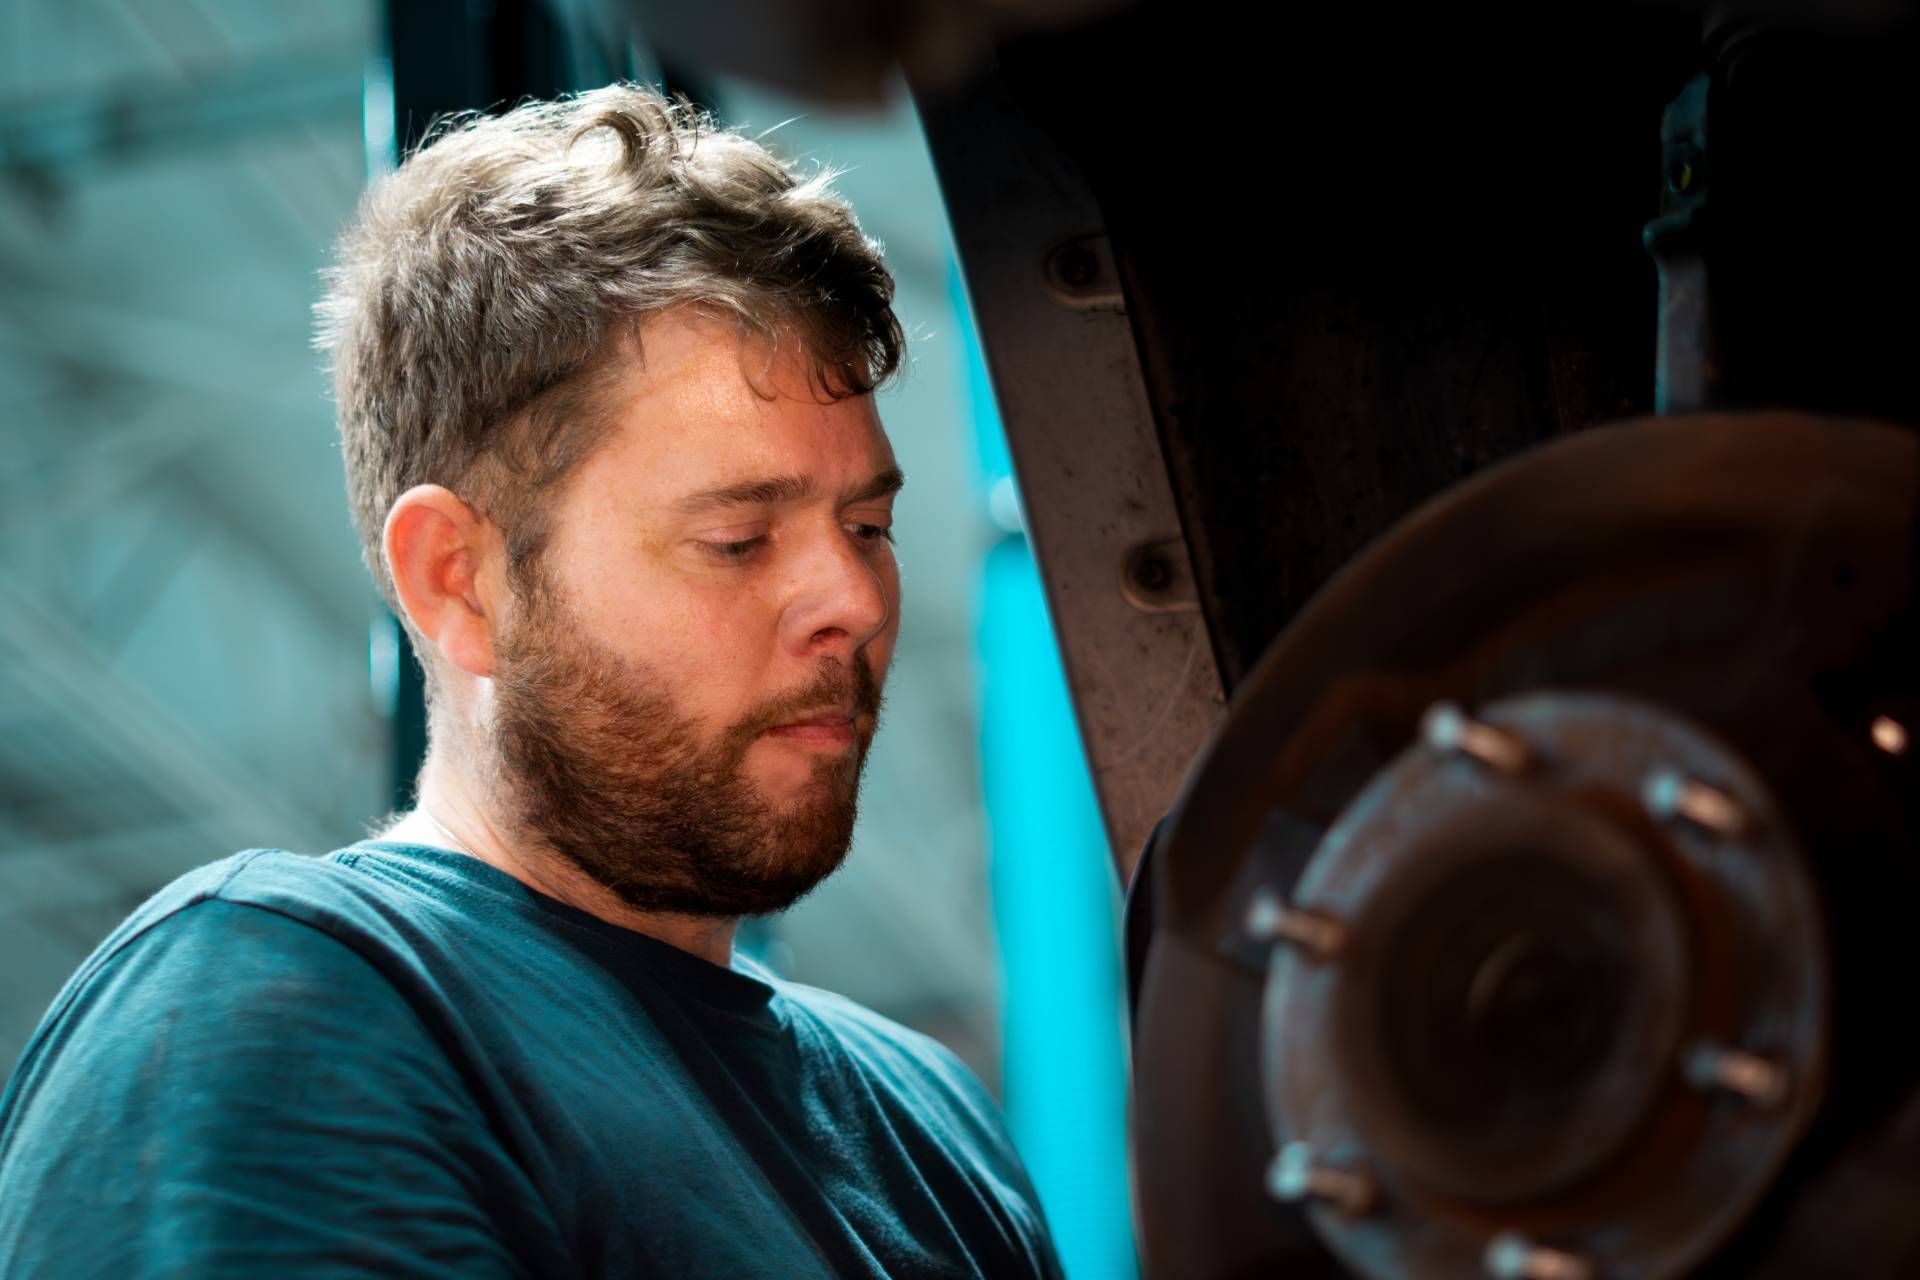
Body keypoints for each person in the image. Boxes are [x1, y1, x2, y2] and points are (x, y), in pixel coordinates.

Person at [0, 84, 1062, 1279]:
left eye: (867, 527)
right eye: (738, 540)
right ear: (460, 579)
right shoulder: (280, 1012)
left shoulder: (934, 1125)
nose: (856, 603)